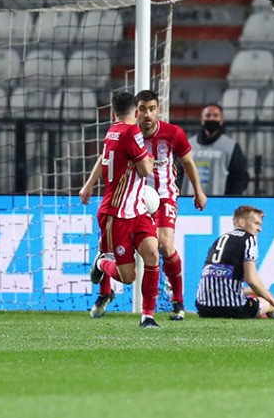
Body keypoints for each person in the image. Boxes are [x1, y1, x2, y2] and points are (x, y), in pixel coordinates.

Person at [89, 90, 208, 321]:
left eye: (151, 109)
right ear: (136, 110)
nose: (146, 114)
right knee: (114, 254)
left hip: (162, 197)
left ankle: (175, 302)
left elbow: (188, 162)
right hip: (131, 200)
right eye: (142, 109)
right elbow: (106, 156)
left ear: (158, 110)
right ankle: (104, 291)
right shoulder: (127, 132)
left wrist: (198, 191)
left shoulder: (173, 133)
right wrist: (89, 184)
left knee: (162, 246)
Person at [79, 91, 161, 328]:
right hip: (117, 214)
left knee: (152, 255)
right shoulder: (131, 131)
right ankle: (102, 263)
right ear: (136, 111)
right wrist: (149, 158)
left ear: (114, 111)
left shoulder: (113, 130)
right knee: (128, 277)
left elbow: (105, 158)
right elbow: (145, 170)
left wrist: (88, 184)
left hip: (137, 210)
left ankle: (148, 316)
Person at [195, 204, 274, 319]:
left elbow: (221, 279)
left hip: (203, 308)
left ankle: (259, 310)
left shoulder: (221, 239)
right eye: (256, 223)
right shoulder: (249, 239)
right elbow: (251, 279)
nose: (259, 229)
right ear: (242, 222)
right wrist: (273, 300)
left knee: (255, 292)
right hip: (231, 308)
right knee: (269, 303)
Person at [179, 104, 249, 196]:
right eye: (208, 115)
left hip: (218, 203)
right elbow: (178, 173)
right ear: (202, 119)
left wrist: (230, 198)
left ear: (221, 120)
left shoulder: (231, 147)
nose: (211, 118)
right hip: (189, 200)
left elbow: (240, 177)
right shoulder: (188, 145)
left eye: (215, 115)